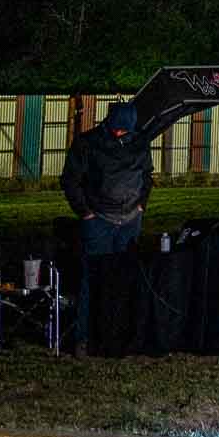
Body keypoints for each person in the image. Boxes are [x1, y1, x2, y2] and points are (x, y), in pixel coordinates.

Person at [61, 100, 153, 354]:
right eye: (117, 129)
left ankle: (120, 338)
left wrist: (141, 206)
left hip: (130, 220)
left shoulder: (139, 143)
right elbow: (70, 181)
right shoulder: (87, 143)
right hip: (99, 221)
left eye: (125, 130)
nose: (121, 133)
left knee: (123, 280)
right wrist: (86, 213)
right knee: (92, 279)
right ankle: (84, 338)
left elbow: (147, 177)